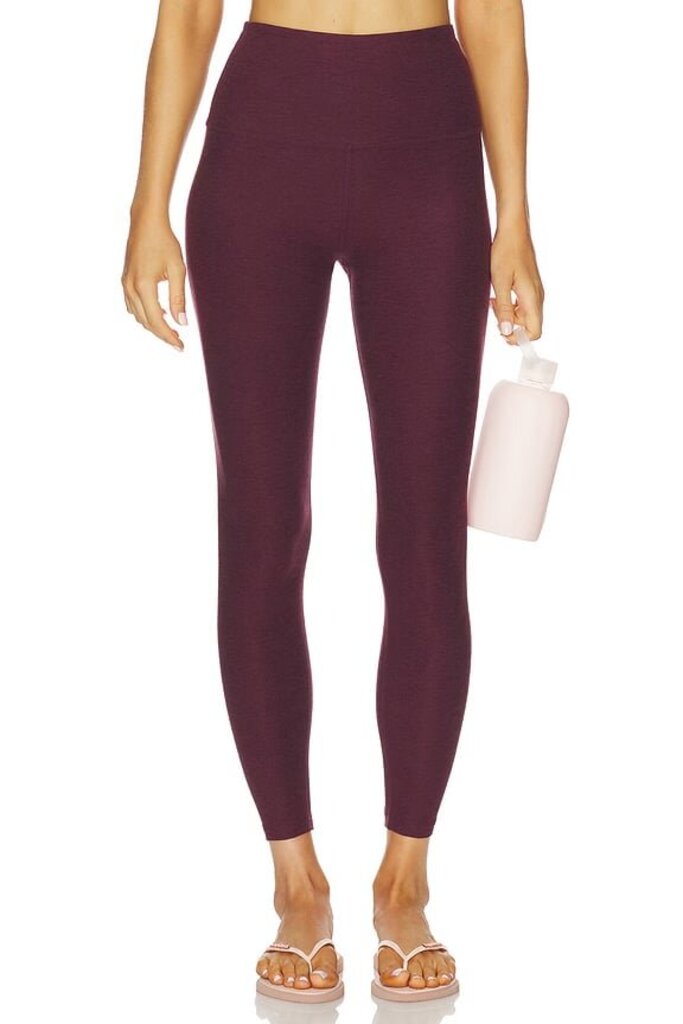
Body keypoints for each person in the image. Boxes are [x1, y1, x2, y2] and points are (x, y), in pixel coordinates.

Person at [121, 0, 544, 1004]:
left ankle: (405, 880)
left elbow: (490, 16)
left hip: (427, 151)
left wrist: (516, 214)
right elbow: (189, 15)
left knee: (425, 537)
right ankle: (295, 883)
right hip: (261, 149)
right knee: (261, 530)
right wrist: (147, 206)